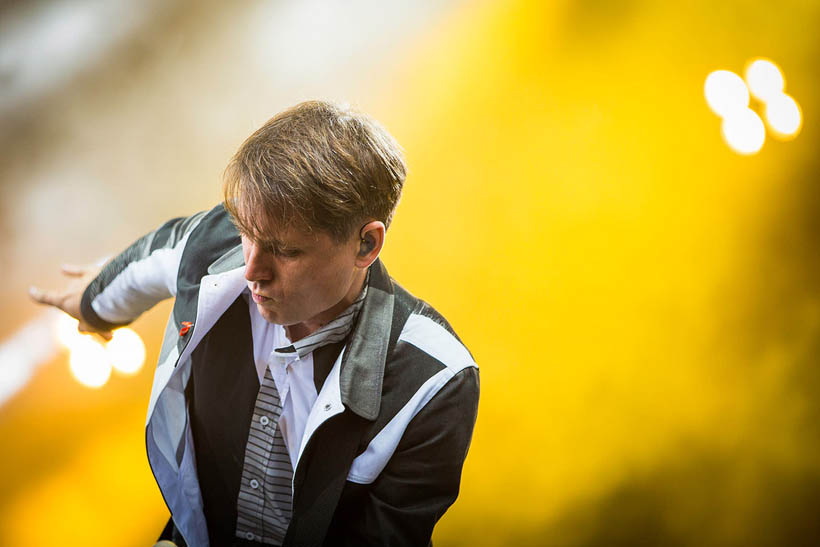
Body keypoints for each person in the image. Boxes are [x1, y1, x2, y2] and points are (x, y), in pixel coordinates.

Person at [30, 100, 480, 547]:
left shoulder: (435, 379)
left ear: (366, 244)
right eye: (246, 231)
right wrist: (93, 306)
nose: (250, 269)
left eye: (285, 251)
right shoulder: (215, 245)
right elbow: (142, 265)